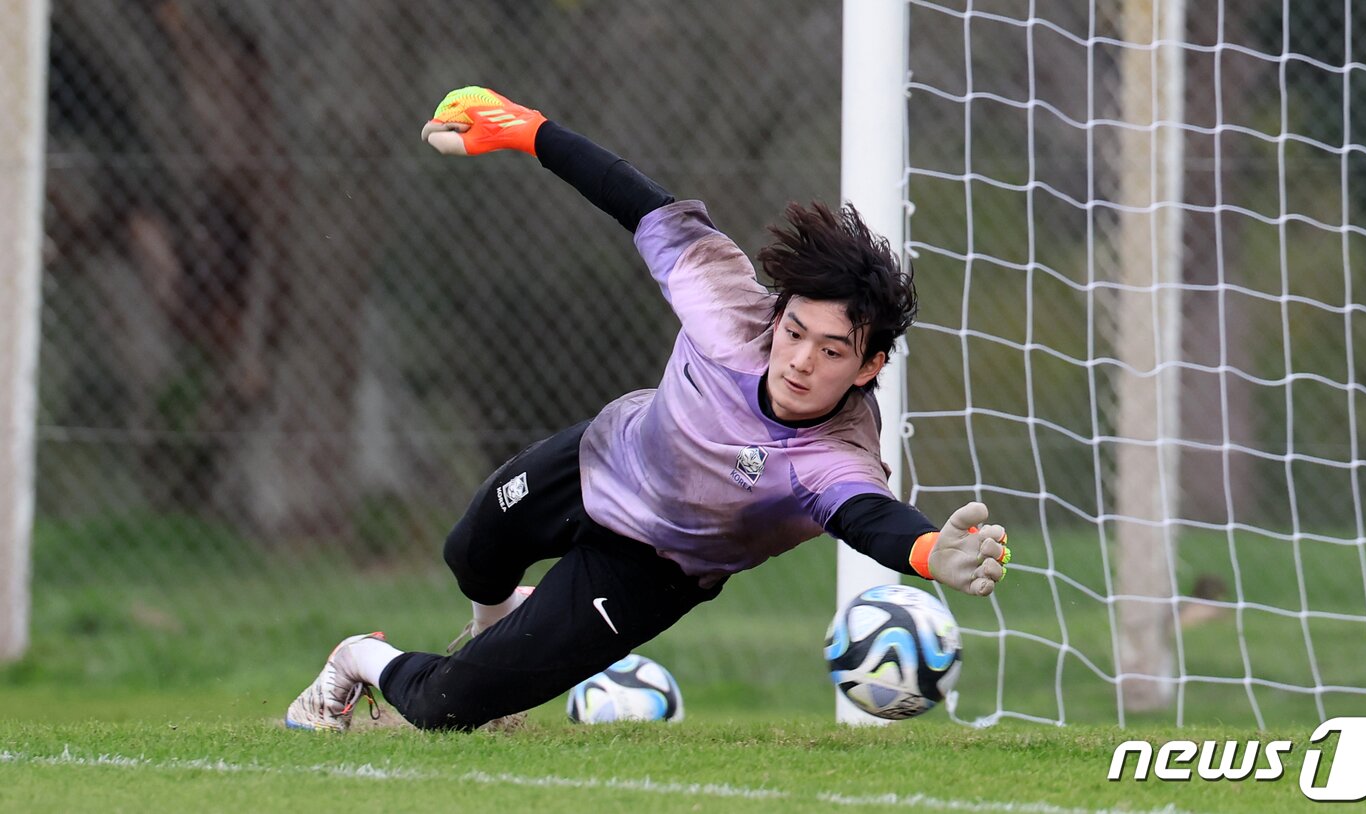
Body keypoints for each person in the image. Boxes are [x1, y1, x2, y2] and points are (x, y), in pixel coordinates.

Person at [285, 87, 1012, 732]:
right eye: (794, 332)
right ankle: (499, 627)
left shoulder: (835, 457)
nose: (799, 360)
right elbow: (635, 199)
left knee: (445, 709)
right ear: (779, 310)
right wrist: (525, 130)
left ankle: (357, 660)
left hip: (651, 570)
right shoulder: (726, 303)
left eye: (831, 351)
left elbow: (867, 516)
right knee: (470, 554)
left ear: (870, 365)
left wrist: (924, 554)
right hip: (603, 455)